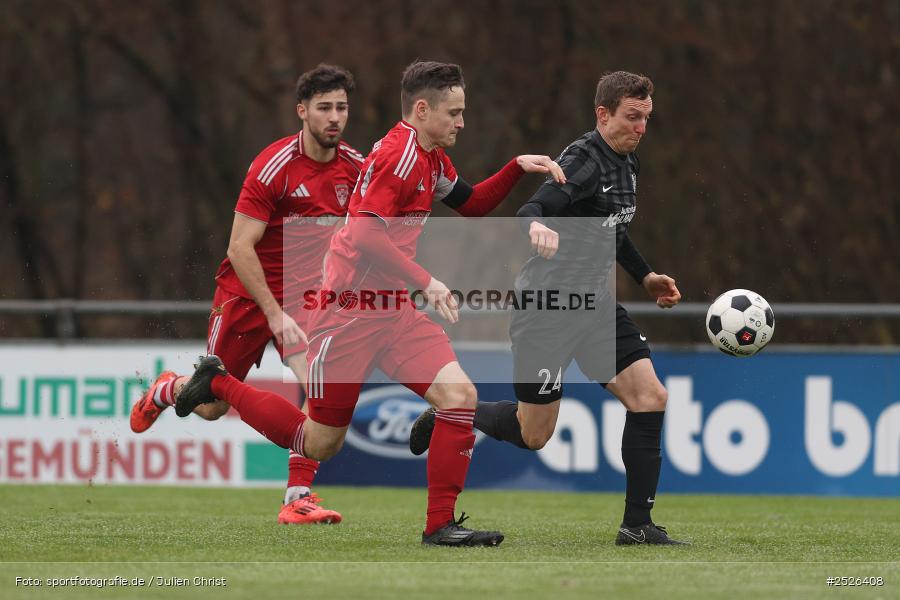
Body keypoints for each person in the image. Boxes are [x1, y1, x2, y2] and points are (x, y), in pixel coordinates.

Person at [175, 60, 564, 546]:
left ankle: (439, 526)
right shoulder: (396, 156)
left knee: (459, 396)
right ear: (422, 110)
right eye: (455, 113)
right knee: (321, 442)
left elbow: (473, 205)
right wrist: (427, 281)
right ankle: (219, 383)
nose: (462, 122)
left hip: (393, 310)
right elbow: (362, 234)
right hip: (345, 313)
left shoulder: (432, 157)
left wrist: (515, 169)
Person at [409, 71, 688, 545]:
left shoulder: (629, 164)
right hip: (547, 311)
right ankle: (452, 416)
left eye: (646, 119)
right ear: (603, 114)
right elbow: (531, 211)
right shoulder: (582, 161)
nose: (641, 128)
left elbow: (613, 229)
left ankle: (637, 526)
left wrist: (646, 276)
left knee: (650, 398)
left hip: (597, 310)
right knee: (534, 434)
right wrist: (538, 227)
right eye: (632, 118)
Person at [129, 64, 364, 525]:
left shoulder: (355, 167)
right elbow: (239, 247)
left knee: (320, 389)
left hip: (306, 300)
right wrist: (274, 313)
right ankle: (167, 389)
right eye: (324, 108)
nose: (334, 117)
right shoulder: (273, 166)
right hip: (245, 295)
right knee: (213, 408)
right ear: (302, 111)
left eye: (341, 107)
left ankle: (299, 498)